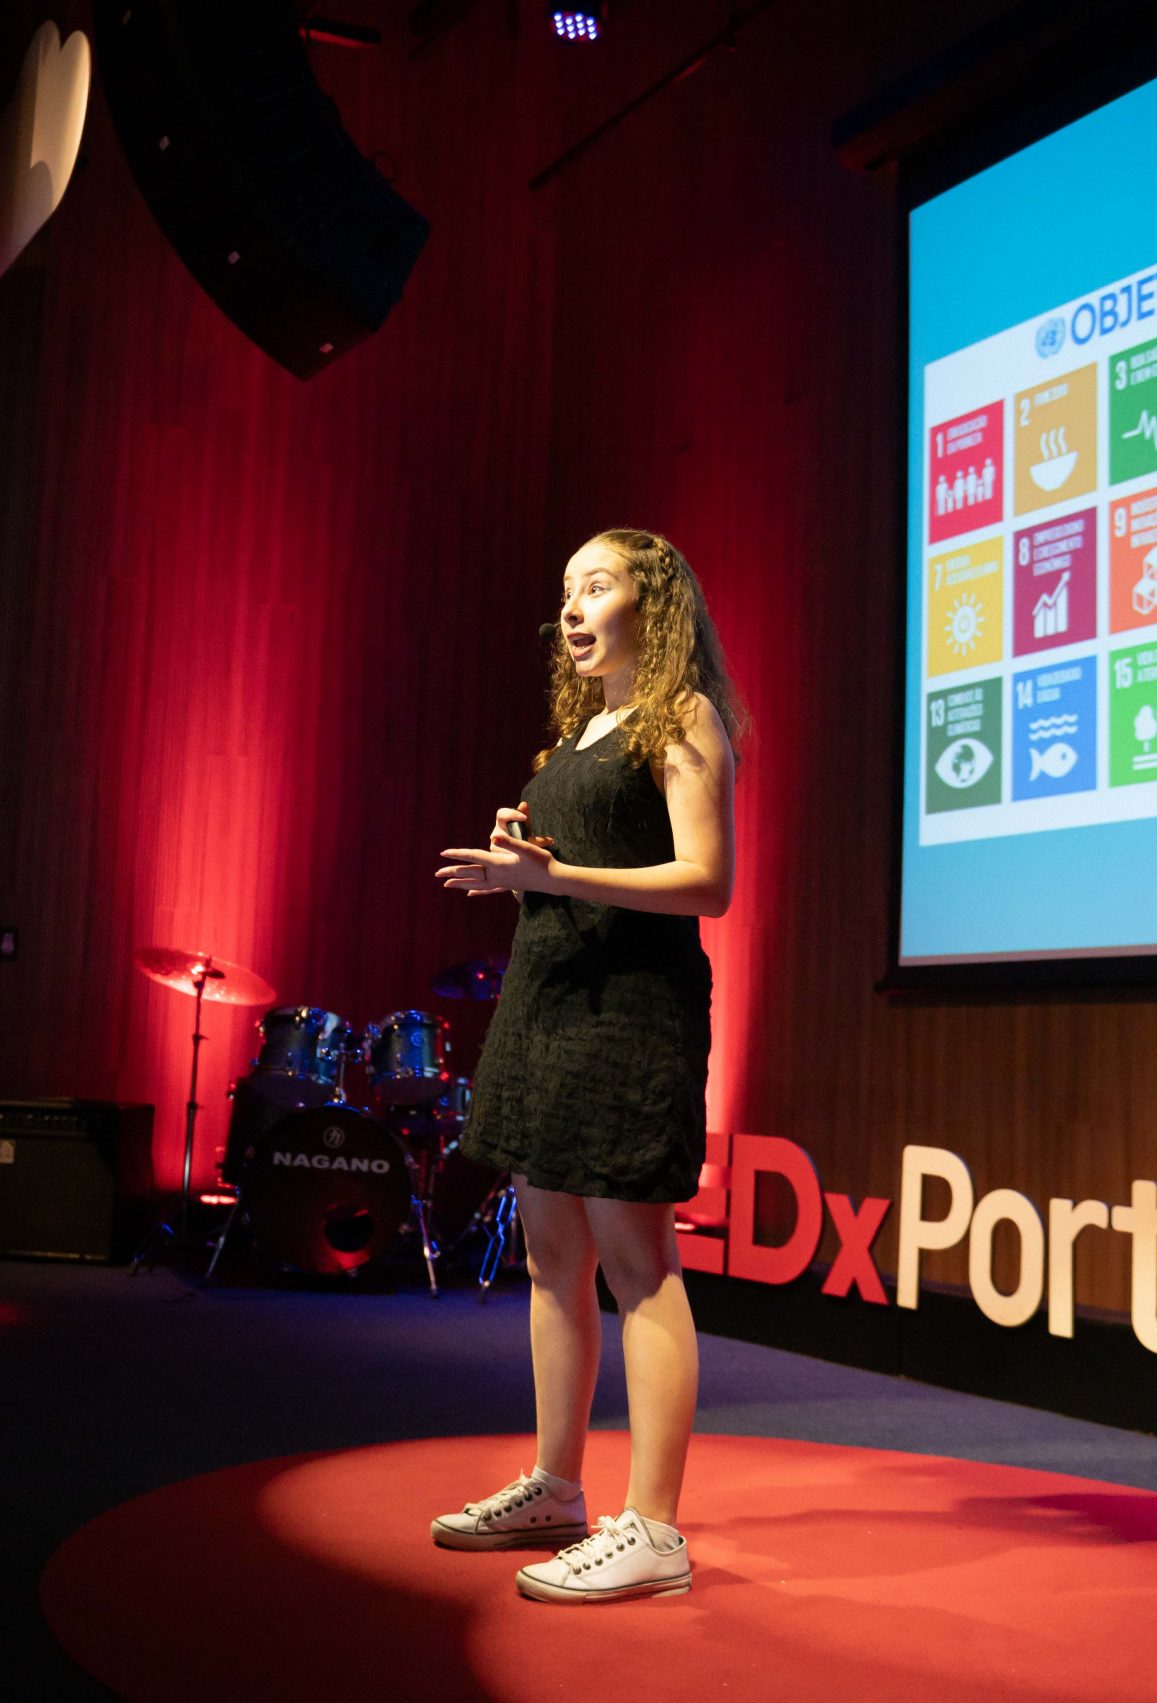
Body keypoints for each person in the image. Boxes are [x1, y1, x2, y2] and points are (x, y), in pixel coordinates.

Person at [429, 528, 745, 1605]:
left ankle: (653, 1527)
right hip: (546, 1004)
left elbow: (708, 882)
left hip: (629, 1013)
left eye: (596, 586)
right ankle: (557, 1487)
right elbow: (577, 871)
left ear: (650, 606)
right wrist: (525, 864)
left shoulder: (681, 714)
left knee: (638, 1263)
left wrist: (559, 873)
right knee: (549, 1258)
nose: (571, 607)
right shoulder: (578, 734)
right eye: (566, 589)